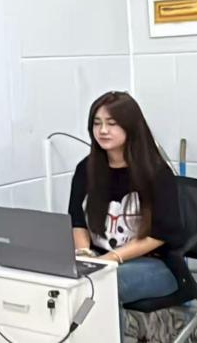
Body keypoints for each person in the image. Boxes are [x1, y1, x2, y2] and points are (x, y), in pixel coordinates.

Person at [68, 90, 182, 337]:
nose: (103, 130)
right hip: (100, 261)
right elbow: (77, 221)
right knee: (69, 285)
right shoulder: (86, 169)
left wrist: (111, 258)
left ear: (130, 127)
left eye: (112, 123)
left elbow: (159, 234)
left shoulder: (156, 173)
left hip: (156, 265)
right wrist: (84, 254)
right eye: (97, 123)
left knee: (103, 286)